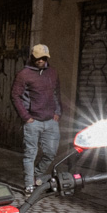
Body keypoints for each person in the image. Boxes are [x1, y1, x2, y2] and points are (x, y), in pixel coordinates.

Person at [11, 44, 61, 195]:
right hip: (33, 121)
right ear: (32, 57)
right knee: (30, 154)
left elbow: (57, 93)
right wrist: (26, 116)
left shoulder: (52, 73)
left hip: (51, 121)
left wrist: (57, 112)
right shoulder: (24, 74)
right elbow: (15, 96)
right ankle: (29, 185)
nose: (41, 60)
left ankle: (37, 176)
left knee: (51, 153)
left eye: (44, 57)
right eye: (38, 58)